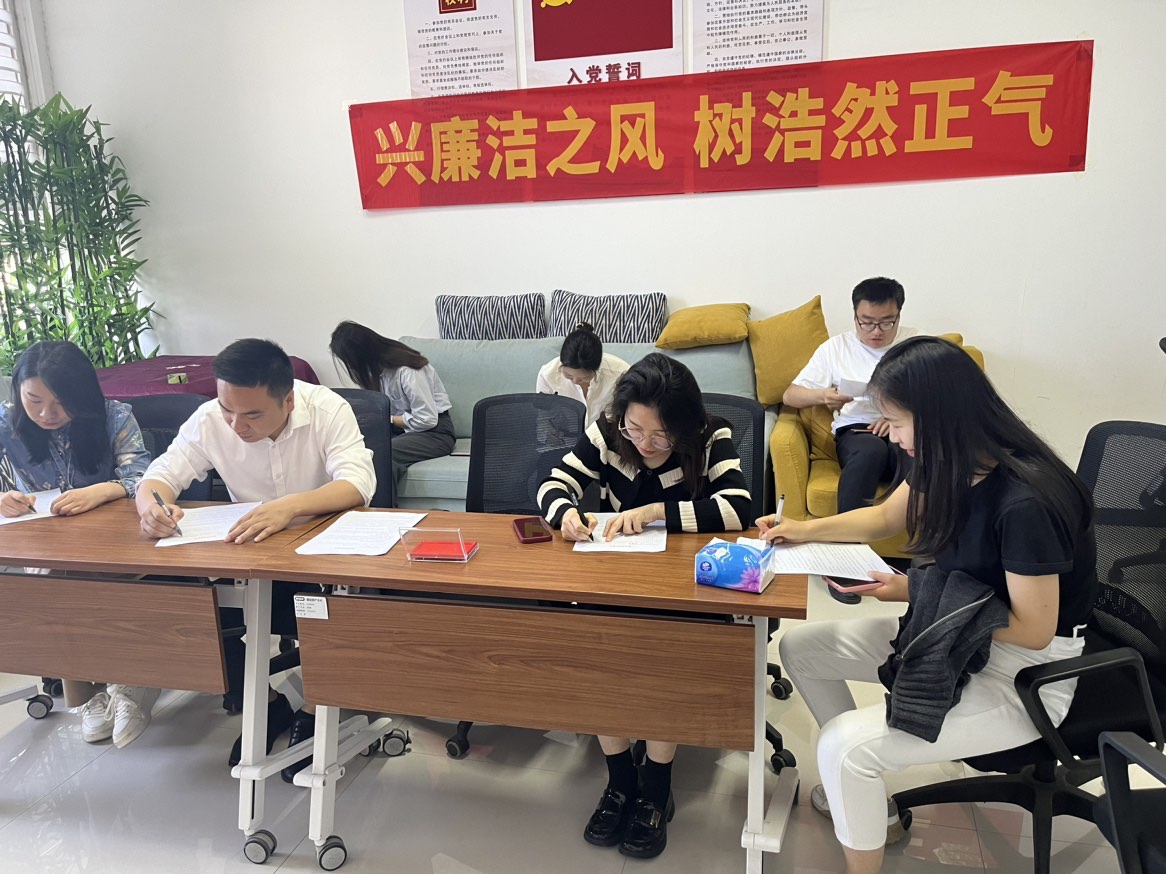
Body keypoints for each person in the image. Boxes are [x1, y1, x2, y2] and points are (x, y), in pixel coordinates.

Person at [756, 336, 1097, 874]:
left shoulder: (1025, 502)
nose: (890, 435)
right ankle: (867, 798)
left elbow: (1033, 628)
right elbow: (885, 518)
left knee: (845, 749)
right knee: (803, 649)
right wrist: (803, 528)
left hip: (1029, 672)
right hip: (959, 631)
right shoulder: (949, 461)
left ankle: (856, 794)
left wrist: (918, 591)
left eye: (896, 422)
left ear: (940, 417)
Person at [537, 352, 752, 860]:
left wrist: (658, 511)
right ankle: (619, 780)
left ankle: (656, 784)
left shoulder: (711, 436)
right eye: (636, 430)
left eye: (661, 435)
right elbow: (552, 483)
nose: (645, 444)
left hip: (686, 589)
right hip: (619, 578)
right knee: (595, 654)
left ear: (685, 427)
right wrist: (565, 513)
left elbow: (738, 508)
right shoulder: (609, 431)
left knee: (662, 658)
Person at [135, 338, 375, 783]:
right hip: (250, 551)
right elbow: (160, 475)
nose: (235, 424)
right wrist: (152, 506)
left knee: (333, 614)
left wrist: (289, 506)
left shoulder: (326, 409)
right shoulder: (211, 418)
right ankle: (265, 704)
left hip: (321, 549)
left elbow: (358, 483)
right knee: (186, 604)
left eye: (251, 415)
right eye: (227, 409)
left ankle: (315, 710)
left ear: (288, 400)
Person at [0, 340, 156, 748]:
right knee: (52, 584)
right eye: (34, 401)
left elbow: (146, 476)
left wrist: (104, 490)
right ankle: (87, 697)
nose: (46, 414)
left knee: (87, 586)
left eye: (61, 402)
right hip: (49, 542)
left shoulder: (114, 416)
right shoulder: (6, 422)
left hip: (117, 541)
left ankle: (127, 684)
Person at [784, 277, 916, 518]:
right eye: (867, 322)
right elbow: (790, 395)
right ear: (855, 316)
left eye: (887, 322)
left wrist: (899, 418)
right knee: (870, 451)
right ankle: (847, 537)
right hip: (857, 429)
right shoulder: (836, 348)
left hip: (908, 428)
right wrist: (823, 396)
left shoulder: (918, 344)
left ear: (899, 315)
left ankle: (922, 534)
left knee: (912, 454)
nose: (876, 331)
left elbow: (945, 395)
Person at [329, 320, 454, 486]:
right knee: (352, 450)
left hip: (435, 433)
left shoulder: (408, 371)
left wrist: (389, 419)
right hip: (399, 431)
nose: (351, 368)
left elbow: (427, 419)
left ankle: (382, 502)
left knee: (383, 454)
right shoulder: (375, 372)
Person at [535, 322, 630, 426]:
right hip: (564, 433)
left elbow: (627, 417)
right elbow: (544, 418)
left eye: (584, 378)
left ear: (597, 368)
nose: (575, 381)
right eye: (568, 376)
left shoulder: (621, 374)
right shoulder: (547, 375)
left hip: (607, 434)